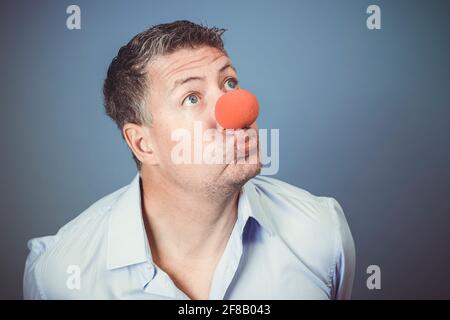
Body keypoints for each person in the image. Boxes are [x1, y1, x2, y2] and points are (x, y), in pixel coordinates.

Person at [23, 20, 355, 300]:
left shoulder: (320, 232)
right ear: (143, 144)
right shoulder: (61, 274)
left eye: (230, 83)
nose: (237, 109)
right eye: (192, 97)